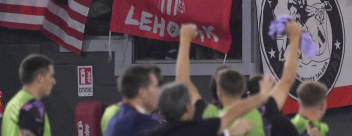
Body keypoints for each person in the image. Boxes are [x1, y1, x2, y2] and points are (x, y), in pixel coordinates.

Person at [148, 23, 297, 136]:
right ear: (243, 89)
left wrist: (185, 39)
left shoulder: (209, 115)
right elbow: (287, 80)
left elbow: (183, 81)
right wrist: (295, 38)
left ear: (218, 91)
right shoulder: (263, 110)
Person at [1, 54, 56, 136]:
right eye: (50, 76)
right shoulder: (30, 108)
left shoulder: (16, 103)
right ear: (40, 78)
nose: (53, 81)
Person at [104, 65, 161, 136]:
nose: (159, 91)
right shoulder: (143, 124)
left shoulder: (115, 119)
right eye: (156, 86)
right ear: (142, 92)